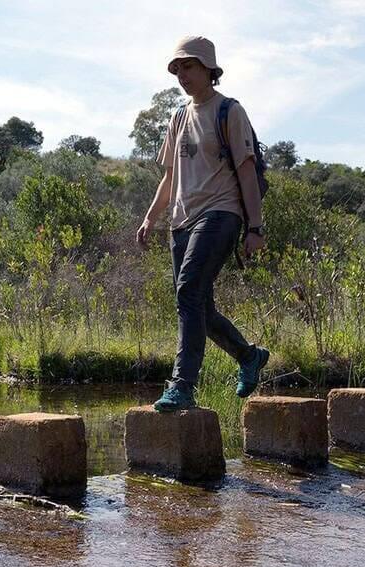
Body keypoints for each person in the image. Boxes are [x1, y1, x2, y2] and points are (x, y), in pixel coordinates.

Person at [136, 35, 270, 412]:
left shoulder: (229, 111)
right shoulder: (178, 117)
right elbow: (169, 176)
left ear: (210, 68)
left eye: (189, 66)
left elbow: (246, 172)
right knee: (199, 306)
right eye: (177, 69)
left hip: (221, 212)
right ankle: (248, 355)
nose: (182, 75)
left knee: (188, 292)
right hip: (181, 221)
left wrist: (254, 228)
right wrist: (150, 217)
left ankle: (183, 385)